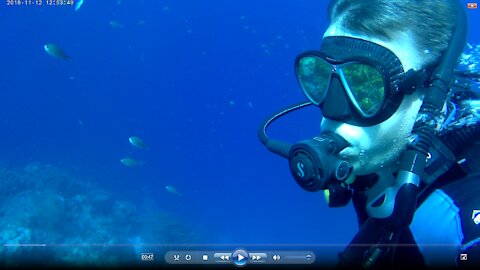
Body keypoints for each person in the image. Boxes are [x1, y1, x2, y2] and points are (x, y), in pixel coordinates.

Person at [259, 0, 480, 268]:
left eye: (366, 87)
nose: (332, 115)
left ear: (434, 94)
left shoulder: (462, 210)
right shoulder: (382, 155)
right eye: (320, 76)